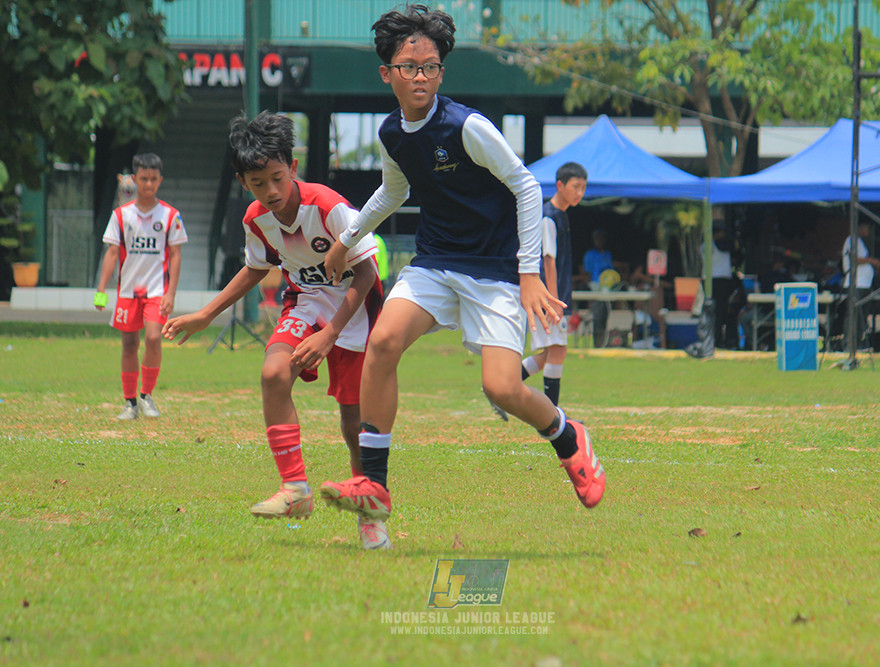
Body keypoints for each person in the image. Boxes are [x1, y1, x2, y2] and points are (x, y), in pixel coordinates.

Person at [316, 4, 605, 531]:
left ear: (441, 71)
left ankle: (569, 436)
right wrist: (348, 238)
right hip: (434, 262)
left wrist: (528, 273)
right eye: (409, 66)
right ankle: (374, 485)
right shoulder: (392, 135)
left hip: (493, 270)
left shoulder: (467, 126)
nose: (420, 75)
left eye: (430, 66)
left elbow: (524, 184)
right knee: (382, 344)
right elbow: (394, 190)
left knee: (501, 387)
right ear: (387, 74)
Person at [161, 112, 389, 549]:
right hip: (305, 303)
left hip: (354, 313)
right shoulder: (256, 220)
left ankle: (370, 514)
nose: (271, 191)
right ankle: (295, 489)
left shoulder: (328, 207)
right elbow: (254, 269)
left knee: (353, 421)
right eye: (258, 182)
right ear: (243, 182)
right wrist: (206, 314)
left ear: (293, 168)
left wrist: (329, 335)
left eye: (277, 178)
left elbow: (365, 276)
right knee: (272, 373)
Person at [95, 153, 187, 420]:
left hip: (157, 291)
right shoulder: (121, 216)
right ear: (135, 180)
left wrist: (171, 292)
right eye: (144, 179)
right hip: (127, 292)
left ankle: (147, 395)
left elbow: (176, 255)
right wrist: (101, 290)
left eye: (154, 179)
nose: (148, 184)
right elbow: (112, 253)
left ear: (160, 180)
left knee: (154, 337)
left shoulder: (170, 215)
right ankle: (130, 403)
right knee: (129, 344)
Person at [520, 161, 587, 407]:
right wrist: (554, 303)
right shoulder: (549, 217)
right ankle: (553, 414)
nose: (580, 193)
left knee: (550, 353)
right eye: (575, 187)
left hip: (555, 297)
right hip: (550, 297)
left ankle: (505, 382)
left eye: (583, 188)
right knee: (557, 351)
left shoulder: (562, 215)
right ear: (560, 185)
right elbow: (548, 261)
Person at [842, 219, 880, 348]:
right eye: (866, 228)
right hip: (856, 284)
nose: (868, 231)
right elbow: (854, 259)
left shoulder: (860, 242)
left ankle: (857, 343)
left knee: (862, 317)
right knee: (854, 316)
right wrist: (872, 261)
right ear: (859, 227)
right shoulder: (852, 240)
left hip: (865, 285)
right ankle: (848, 344)